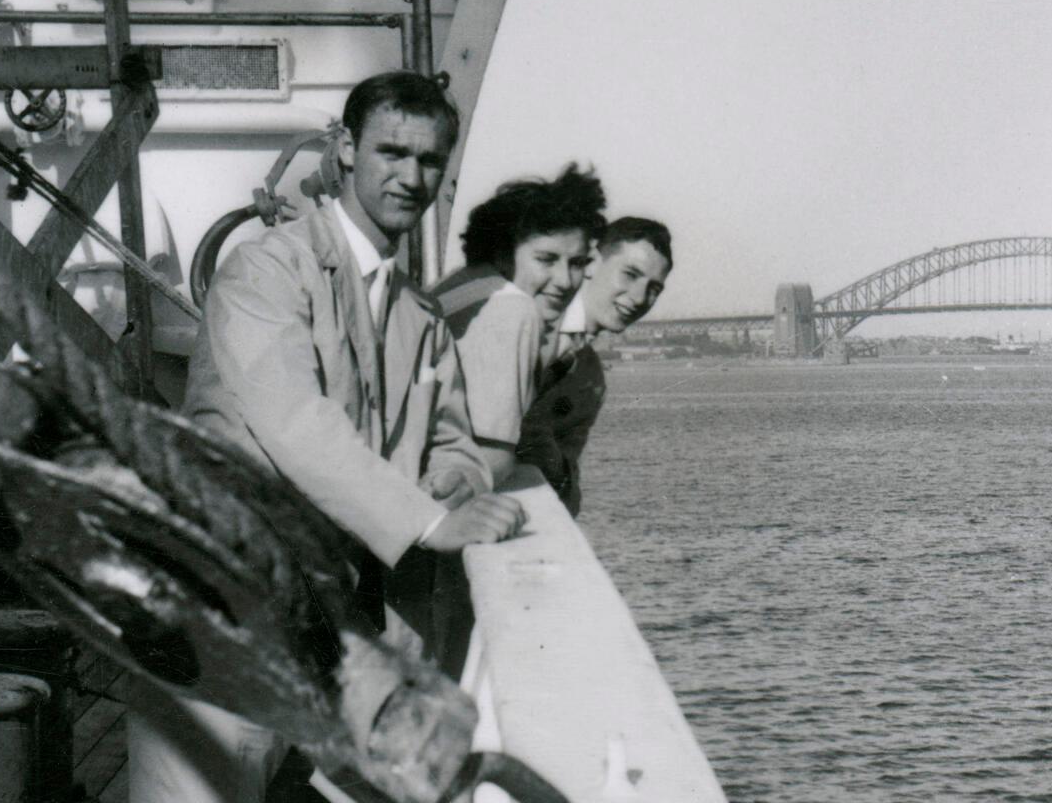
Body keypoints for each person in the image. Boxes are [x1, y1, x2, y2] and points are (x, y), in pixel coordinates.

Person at [151, 71, 524, 802]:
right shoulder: (264, 269)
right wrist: (429, 521)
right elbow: (295, 422)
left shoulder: (418, 314)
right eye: (392, 152)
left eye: (429, 161)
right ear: (347, 149)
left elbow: (456, 444)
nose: (410, 177)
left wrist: (455, 481)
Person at [429, 165, 607, 489]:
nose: (565, 281)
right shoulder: (513, 308)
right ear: (504, 251)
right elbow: (490, 462)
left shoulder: (458, 287)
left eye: (577, 263)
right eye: (546, 259)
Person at [520, 217, 673, 514]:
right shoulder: (525, 320)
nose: (640, 298)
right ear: (590, 264)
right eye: (630, 274)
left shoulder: (590, 380)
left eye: (654, 288)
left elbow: (567, 488)